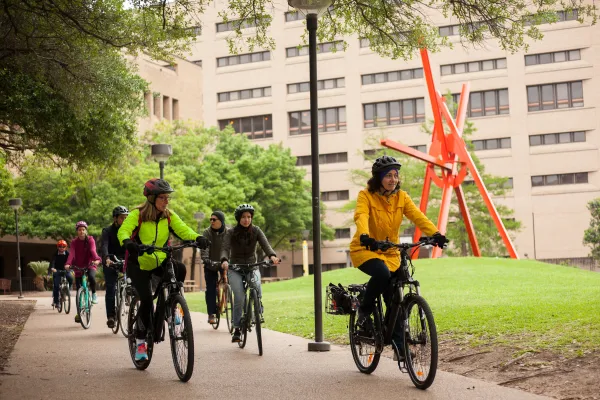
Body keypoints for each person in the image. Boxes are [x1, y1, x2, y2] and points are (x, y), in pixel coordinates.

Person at [349, 155, 448, 361]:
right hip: (366, 249)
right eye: (388, 176)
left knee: (396, 297)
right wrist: (365, 236)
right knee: (382, 273)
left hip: (391, 251)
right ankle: (364, 310)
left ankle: (398, 346)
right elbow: (361, 216)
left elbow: (417, 216)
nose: (393, 179)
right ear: (379, 178)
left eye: (395, 175)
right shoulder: (365, 195)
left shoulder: (401, 197)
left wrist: (436, 234)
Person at [118, 178, 209, 361]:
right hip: (140, 262)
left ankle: (172, 305)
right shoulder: (138, 214)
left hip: (160, 259)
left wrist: (198, 237)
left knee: (180, 269)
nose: (166, 201)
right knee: (145, 300)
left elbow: (183, 230)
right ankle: (141, 342)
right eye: (163, 198)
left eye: (168, 198)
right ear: (151, 198)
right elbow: (124, 231)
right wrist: (128, 242)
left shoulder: (168, 215)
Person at [220, 204, 280, 343]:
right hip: (235, 268)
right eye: (243, 217)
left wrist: (272, 256)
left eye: (249, 217)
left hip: (252, 266)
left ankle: (258, 313)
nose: (247, 220)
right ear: (238, 218)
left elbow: (266, 245)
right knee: (239, 297)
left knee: (257, 286)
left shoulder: (256, 231)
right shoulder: (231, 232)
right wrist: (224, 260)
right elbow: (225, 248)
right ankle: (236, 329)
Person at [64, 221, 102, 323]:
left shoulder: (90, 239)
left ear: (86, 231)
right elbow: (71, 254)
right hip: (78, 267)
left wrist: (97, 259)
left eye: (83, 229)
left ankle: (94, 294)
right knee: (78, 292)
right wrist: (68, 264)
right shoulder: (74, 242)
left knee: (91, 277)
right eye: (79, 230)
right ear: (77, 231)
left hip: (90, 264)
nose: (81, 231)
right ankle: (79, 312)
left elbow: (93, 250)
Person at [100, 206, 129, 329]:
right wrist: (106, 258)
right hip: (110, 260)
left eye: (126, 218)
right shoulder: (107, 231)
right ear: (115, 218)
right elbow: (104, 245)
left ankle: (132, 302)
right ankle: (111, 316)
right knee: (111, 288)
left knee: (133, 280)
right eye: (122, 217)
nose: (124, 220)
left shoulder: (129, 230)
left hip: (125, 259)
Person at [201, 211, 227, 325]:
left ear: (221, 221)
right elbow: (204, 248)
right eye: (210, 219)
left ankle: (226, 299)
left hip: (224, 262)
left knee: (229, 282)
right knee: (210, 288)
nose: (211, 221)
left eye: (214, 219)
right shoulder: (207, 232)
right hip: (210, 263)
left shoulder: (228, 233)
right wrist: (206, 259)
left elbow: (230, 247)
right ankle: (211, 314)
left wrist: (228, 260)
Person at [48, 240, 73, 308]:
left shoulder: (68, 254)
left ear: (65, 247)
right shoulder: (55, 254)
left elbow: (71, 261)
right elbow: (52, 262)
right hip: (57, 271)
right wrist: (53, 268)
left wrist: (71, 267)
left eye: (63, 246)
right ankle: (56, 302)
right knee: (56, 286)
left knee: (70, 278)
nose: (61, 248)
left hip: (66, 270)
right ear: (57, 247)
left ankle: (67, 290)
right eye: (60, 246)